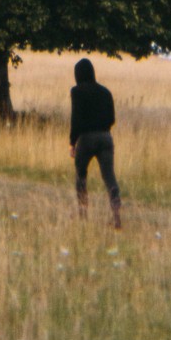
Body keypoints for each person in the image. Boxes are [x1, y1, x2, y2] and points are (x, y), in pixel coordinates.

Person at [69, 58, 122, 227]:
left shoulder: (77, 92)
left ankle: (83, 214)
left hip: (86, 138)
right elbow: (112, 118)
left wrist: (72, 142)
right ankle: (116, 217)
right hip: (106, 137)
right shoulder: (105, 92)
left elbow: (75, 118)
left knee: (81, 176)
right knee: (109, 177)